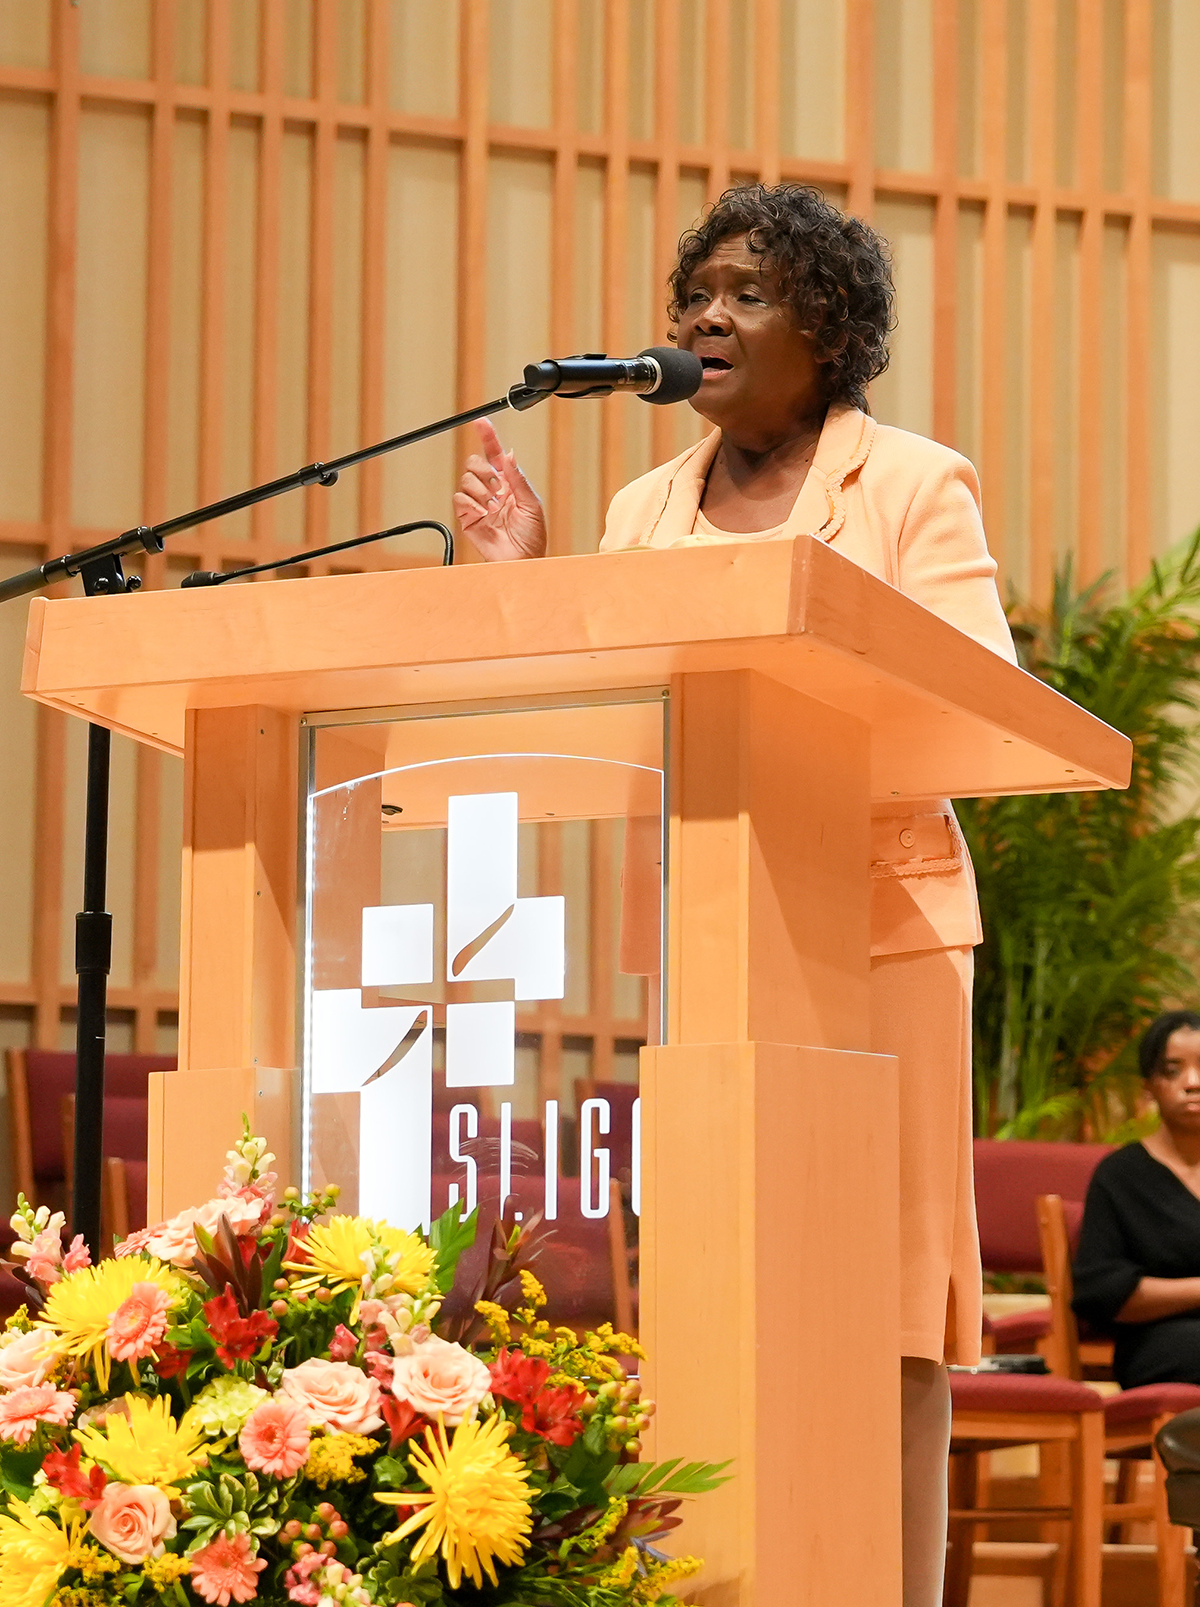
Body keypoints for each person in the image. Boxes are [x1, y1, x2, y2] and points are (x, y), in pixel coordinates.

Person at [454, 182, 1016, 1607]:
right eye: (693, 293)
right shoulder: (644, 506)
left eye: (746, 291)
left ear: (825, 328)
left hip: (882, 931)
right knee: (727, 1292)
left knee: (880, 1314)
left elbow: (978, 704)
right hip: (708, 934)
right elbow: (587, 719)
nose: (704, 315)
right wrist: (522, 592)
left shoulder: (907, 483)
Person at [1073, 1010, 1200, 1387]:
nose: (1193, 1083)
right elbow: (1102, 1291)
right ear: (1149, 1086)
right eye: (1173, 1070)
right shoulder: (1120, 1175)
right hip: (1161, 1341)